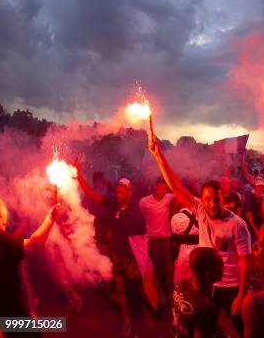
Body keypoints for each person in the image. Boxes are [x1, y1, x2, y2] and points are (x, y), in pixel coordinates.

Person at [148, 130, 251, 333]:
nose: (212, 203)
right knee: (202, 327)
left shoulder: (238, 224)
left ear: (224, 198)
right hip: (206, 284)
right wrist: (158, 155)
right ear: (202, 201)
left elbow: (246, 261)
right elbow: (176, 186)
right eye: (208, 199)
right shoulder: (200, 211)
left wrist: (241, 295)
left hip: (230, 285)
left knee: (241, 327)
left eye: (217, 199)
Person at [76, 173, 150, 336]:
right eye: (117, 192)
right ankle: (126, 320)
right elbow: (91, 194)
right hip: (117, 255)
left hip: (132, 257)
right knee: (120, 289)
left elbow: (142, 235)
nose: (118, 195)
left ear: (129, 192)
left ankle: (146, 312)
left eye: (122, 193)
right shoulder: (113, 204)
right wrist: (79, 175)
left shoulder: (136, 210)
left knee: (140, 286)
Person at [0, 196, 60, 319]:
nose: (4, 228)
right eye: (3, 223)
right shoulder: (0, 239)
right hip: (9, 315)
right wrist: (50, 218)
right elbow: (34, 247)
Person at [172, 247, 239, 338]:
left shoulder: (181, 285)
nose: (224, 270)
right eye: (221, 267)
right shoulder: (207, 308)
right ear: (209, 273)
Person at [139, 177, 176, 312]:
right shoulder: (144, 202)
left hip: (165, 238)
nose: (162, 191)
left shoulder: (168, 198)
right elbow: (140, 218)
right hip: (152, 239)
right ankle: (159, 295)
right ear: (154, 187)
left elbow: (180, 194)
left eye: (164, 188)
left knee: (169, 268)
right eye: (160, 188)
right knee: (155, 269)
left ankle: (170, 294)